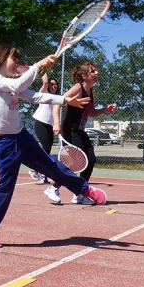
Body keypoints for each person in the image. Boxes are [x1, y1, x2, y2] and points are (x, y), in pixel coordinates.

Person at [0, 45, 107, 248]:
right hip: (5, 143)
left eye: (19, 60)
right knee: (6, 187)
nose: (17, 63)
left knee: (50, 164)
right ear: (0, 59)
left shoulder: (11, 83)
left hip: (20, 136)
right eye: (14, 59)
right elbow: (18, 85)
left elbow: (35, 96)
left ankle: (84, 189)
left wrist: (64, 99)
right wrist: (38, 65)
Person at [48, 62, 117, 205]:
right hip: (70, 130)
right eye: (93, 71)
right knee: (75, 163)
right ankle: (53, 188)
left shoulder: (91, 91)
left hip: (80, 131)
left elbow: (91, 113)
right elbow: (57, 103)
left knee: (90, 159)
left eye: (96, 71)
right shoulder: (77, 88)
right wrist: (56, 123)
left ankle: (79, 194)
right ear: (84, 76)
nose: (97, 73)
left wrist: (105, 110)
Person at [29, 73, 60, 184]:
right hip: (40, 122)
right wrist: (43, 72)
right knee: (46, 147)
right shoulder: (44, 93)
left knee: (48, 148)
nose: (53, 86)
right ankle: (34, 168)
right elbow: (45, 83)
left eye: (55, 84)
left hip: (49, 125)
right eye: (51, 84)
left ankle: (42, 172)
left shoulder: (58, 97)